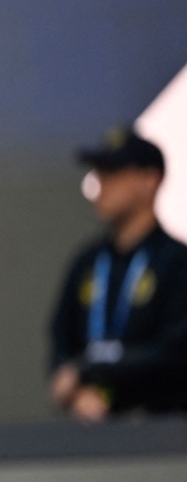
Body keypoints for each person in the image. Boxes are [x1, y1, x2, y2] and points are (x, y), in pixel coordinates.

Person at [50, 128, 187, 420]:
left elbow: (175, 354)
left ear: (149, 181)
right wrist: (76, 391)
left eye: (112, 173)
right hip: (95, 428)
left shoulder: (177, 263)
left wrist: (87, 369)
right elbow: (61, 339)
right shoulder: (87, 263)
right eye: (98, 174)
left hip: (165, 428)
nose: (101, 185)